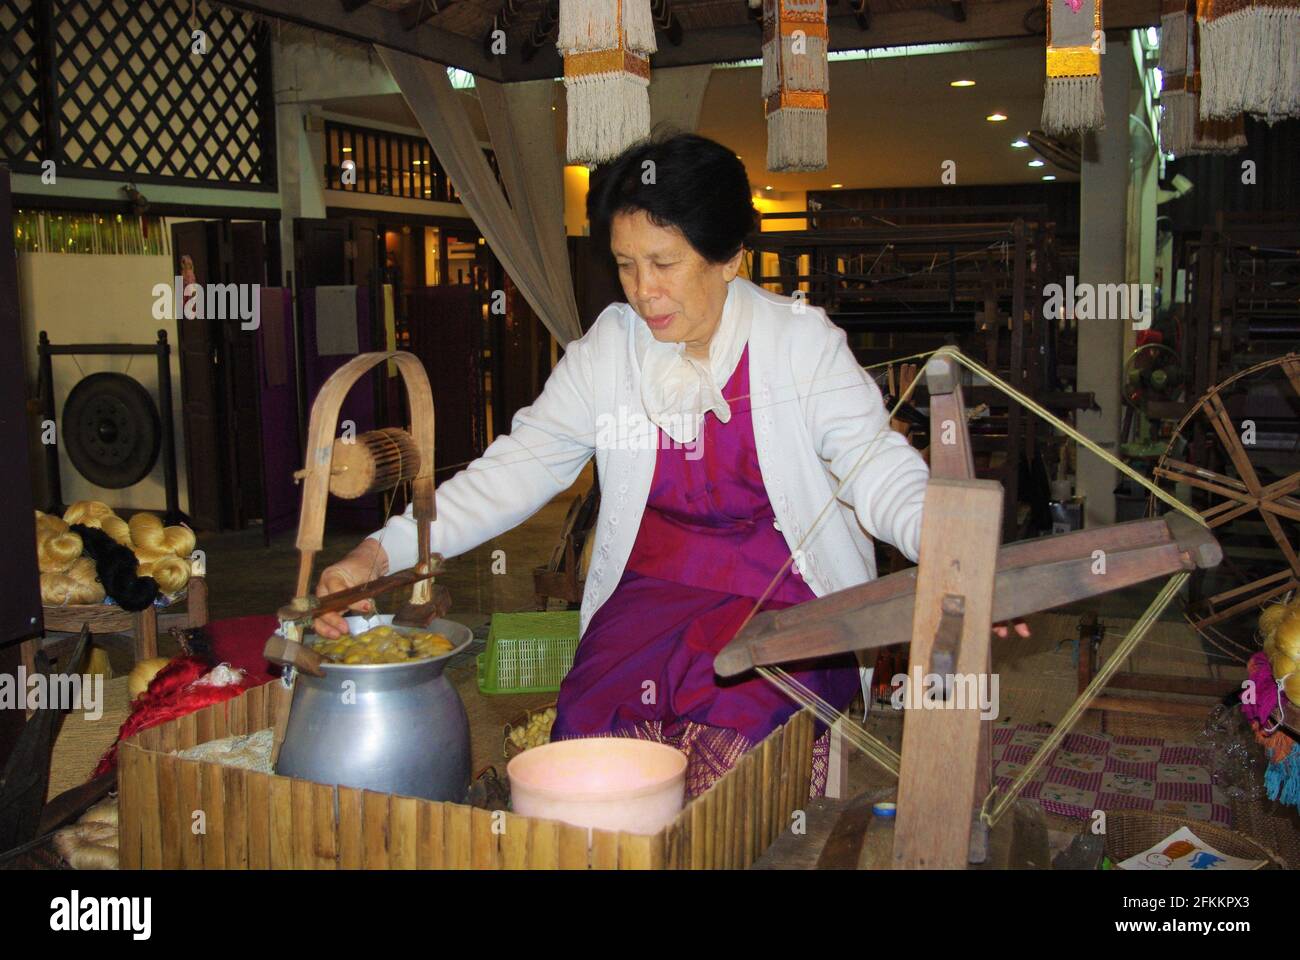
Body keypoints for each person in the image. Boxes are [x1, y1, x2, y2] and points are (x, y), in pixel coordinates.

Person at [315, 134, 933, 797]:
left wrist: (951, 549)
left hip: (781, 602)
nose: (644, 292)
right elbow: (516, 469)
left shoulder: (799, 343)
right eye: (625, 265)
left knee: (728, 760)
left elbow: (876, 466)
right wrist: (380, 553)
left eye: (664, 263)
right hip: (650, 600)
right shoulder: (610, 351)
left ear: (730, 257)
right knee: (588, 757)